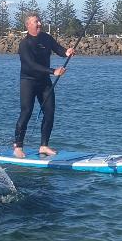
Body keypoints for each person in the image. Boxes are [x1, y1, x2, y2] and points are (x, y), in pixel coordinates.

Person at [13, 13, 75, 158]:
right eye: (36, 22)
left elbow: (58, 49)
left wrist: (66, 52)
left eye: (39, 21)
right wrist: (54, 71)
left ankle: (44, 146)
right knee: (26, 112)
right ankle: (18, 146)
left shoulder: (46, 38)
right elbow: (31, 65)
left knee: (50, 111)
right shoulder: (24, 44)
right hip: (28, 81)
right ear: (28, 25)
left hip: (44, 81)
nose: (39, 23)